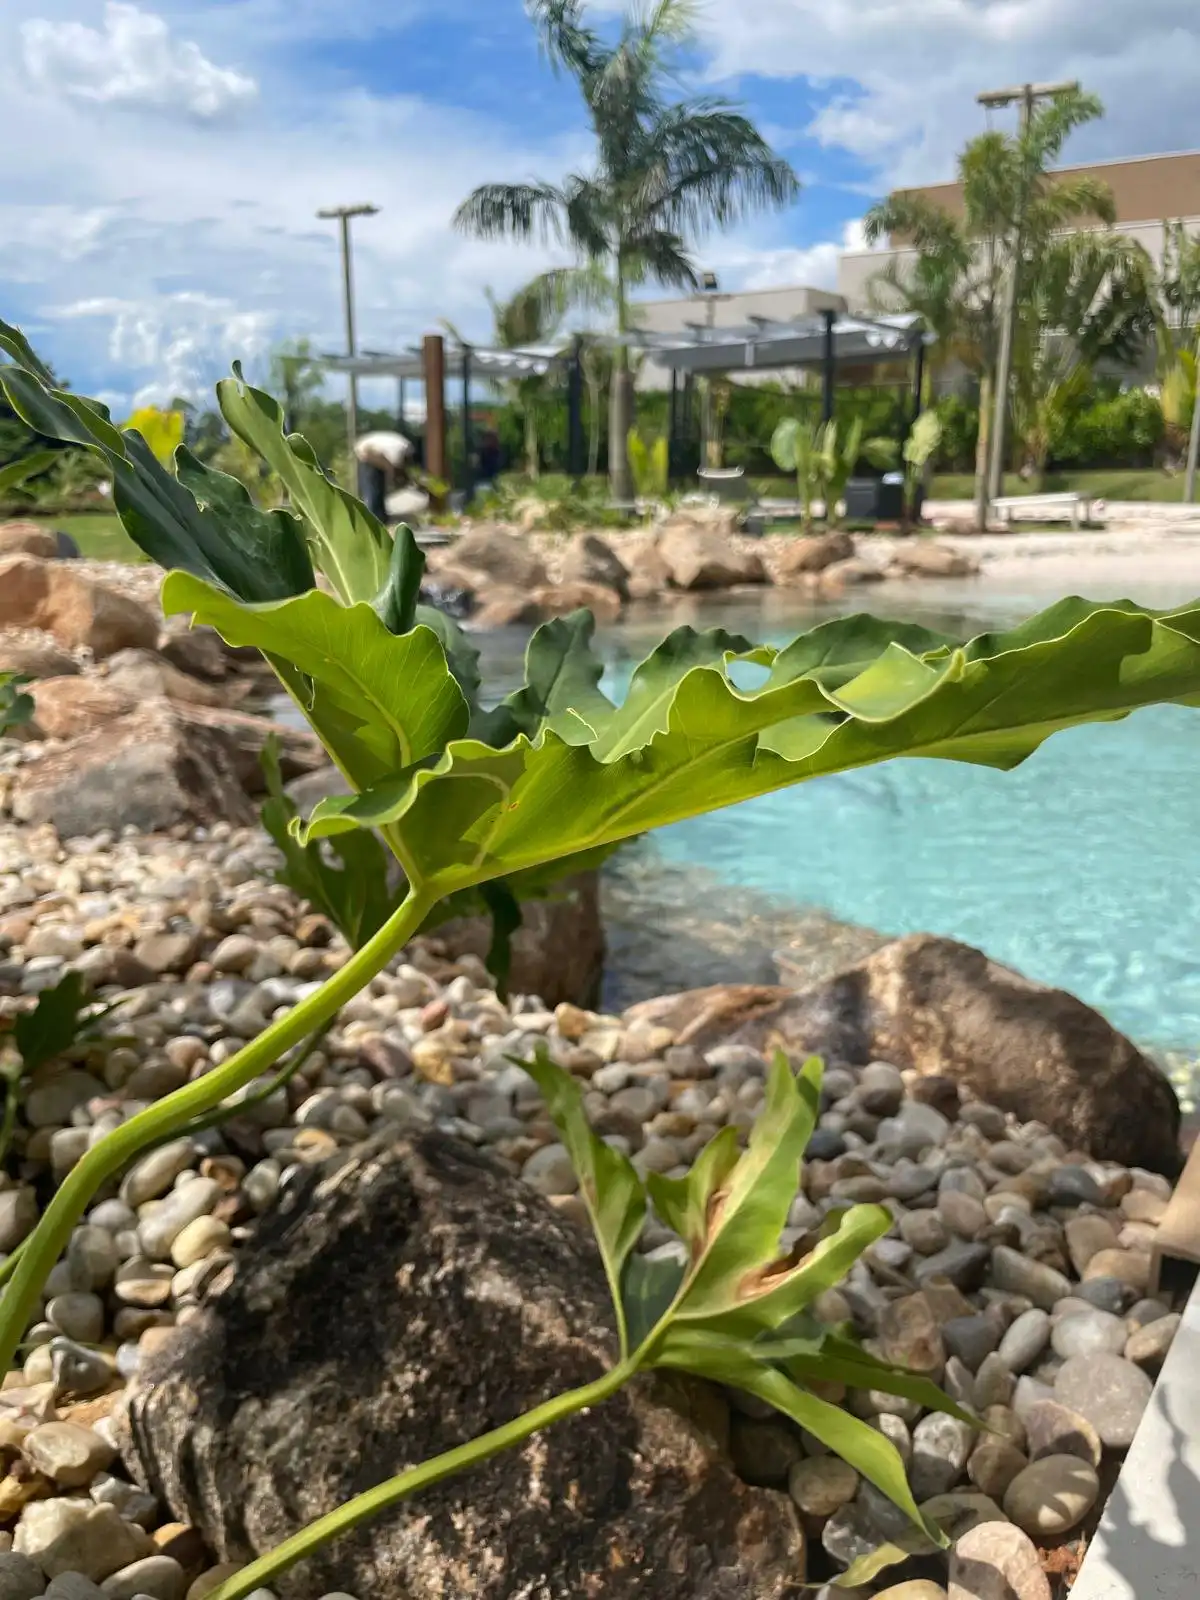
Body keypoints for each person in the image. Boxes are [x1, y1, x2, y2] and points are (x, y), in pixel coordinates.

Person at [353, 431, 429, 524]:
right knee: (373, 490)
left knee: (379, 489)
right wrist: (396, 482)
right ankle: (373, 519)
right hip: (367, 450)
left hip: (374, 451)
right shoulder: (399, 451)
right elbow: (393, 470)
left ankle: (381, 517)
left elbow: (399, 468)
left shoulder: (404, 447)